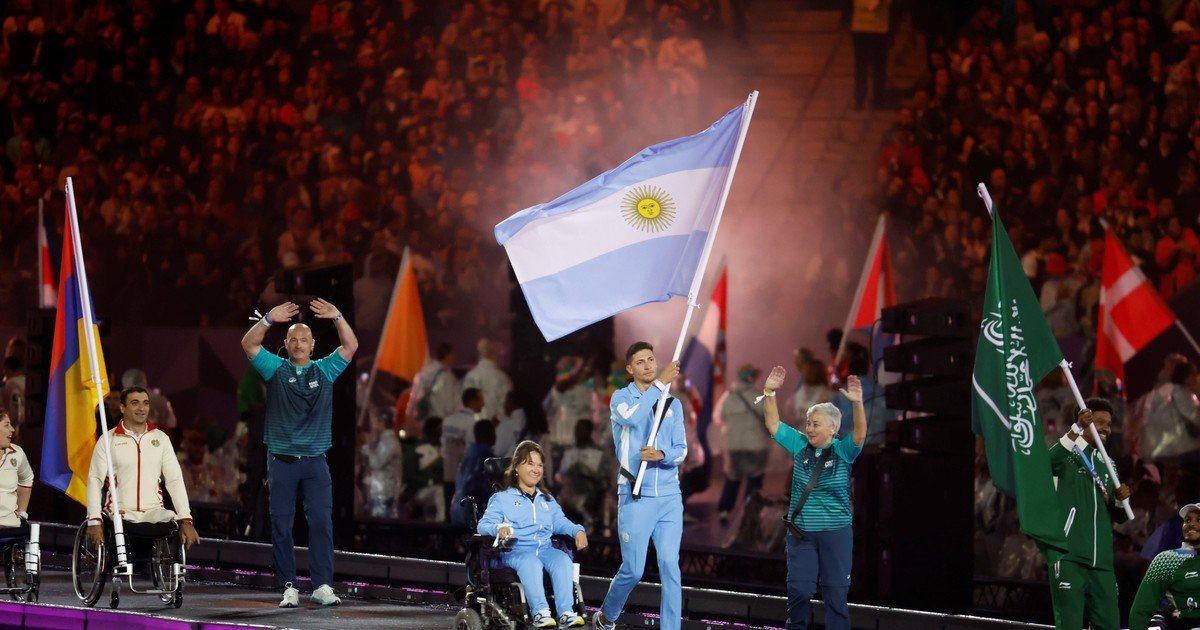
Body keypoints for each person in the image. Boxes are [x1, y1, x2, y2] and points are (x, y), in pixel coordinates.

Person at [240, 298, 358, 608]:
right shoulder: (276, 370)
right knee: (281, 524)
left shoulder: (325, 370)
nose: (298, 344)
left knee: (321, 523)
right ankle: (289, 587)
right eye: (293, 339)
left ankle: (322, 586)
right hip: (282, 460)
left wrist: (338, 316)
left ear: (313, 345)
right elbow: (249, 344)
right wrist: (267, 319)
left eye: (304, 339)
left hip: (316, 462)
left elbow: (351, 345)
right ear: (286, 344)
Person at [593, 342, 687, 630]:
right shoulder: (621, 398)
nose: (648, 365)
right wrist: (659, 386)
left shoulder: (673, 404)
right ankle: (606, 616)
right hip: (636, 495)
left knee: (670, 566)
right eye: (640, 362)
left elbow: (681, 450)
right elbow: (633, 418)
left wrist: (662, 455)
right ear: (630, 369)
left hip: (669, 497)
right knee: (634, 569)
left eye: (651, 359)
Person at [763, 366, 865, 630]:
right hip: (802, 533)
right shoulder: (799, 445)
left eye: (815, 424)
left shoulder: (843, 451)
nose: (809, 428)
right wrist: (769, 393)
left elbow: (860, 435)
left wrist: (857, 405)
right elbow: (773, 424)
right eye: (808, 423)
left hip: (836, 533)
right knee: (799, 591)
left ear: (833, 429)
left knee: (835, 597)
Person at [477, 440, 588, 628]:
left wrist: (578, 530)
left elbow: (560, 522)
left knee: (562, 560)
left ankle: (566, 613)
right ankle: (540, 613)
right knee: (531, 562)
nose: (536, 469)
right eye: (530, 464)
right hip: (515, 551)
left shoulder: (547, 499)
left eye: (539, 465)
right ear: (516, 467)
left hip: (544, 549)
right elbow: (483, 525)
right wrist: (498, 528)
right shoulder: (502, 498)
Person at [1046, 399, 1132, 630]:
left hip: (1102, 561)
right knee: (1070, 625)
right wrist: (1075, 429)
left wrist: (1122, 500)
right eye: (1100, 422)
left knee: (1109, 624)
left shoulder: (1109, 463)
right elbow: (1046, 464)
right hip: (1069, 555)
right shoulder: (1067, 452)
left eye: (1109, 424)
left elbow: (1120, 516)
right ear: (1085, 422)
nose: (1106, 428)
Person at [85, 388, 201, 550]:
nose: (141, 408)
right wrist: (94, 520)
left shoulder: (161, 439)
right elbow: (95, 480)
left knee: (171, 523)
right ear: (122, 408)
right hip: (120, 513)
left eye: (145, 403)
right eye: (135, 403)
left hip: (154, 513)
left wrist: (186, 519)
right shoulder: (108, 440)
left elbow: (174, 480)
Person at [1129, 503, 1200, 630]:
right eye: (1187, 520)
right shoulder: (1166, 560)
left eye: (1198, 520)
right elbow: (1140, 610)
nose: (1191, 524)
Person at [716, 365, 770, 522]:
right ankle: (750, 511)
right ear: (751, 378)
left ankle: (724, 509)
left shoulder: (728, 398)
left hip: (735, 445)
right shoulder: (758, 397)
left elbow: (720, 417)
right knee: (754, 480)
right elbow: (770, 418)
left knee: (733, 478)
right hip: (756, 445)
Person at [443, 387, 484, 519]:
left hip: (446, 473)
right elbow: (471, 453)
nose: (483, 404)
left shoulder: (447, 421)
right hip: (462, 479)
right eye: (481, 400)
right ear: (473, 401)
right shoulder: (473, 424)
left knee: (446, 512)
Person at [451, 419, 496, 525]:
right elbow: (477, 489)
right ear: (489, 434)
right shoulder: (485, 459)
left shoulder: (467, 458)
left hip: (457, 513)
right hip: (473, 518)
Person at [462, 338, 512, 421]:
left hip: (473, 423)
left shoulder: (470, 376)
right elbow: (507, 405)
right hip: (495, 425)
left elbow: (465, 403)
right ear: (494, 354)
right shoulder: (502, 378)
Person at [0, 411, 33, 530]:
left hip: (11, 528)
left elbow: (27, 479)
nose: (12, 429)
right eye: (6, 425)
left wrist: (22, 514)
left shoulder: (17, 453)